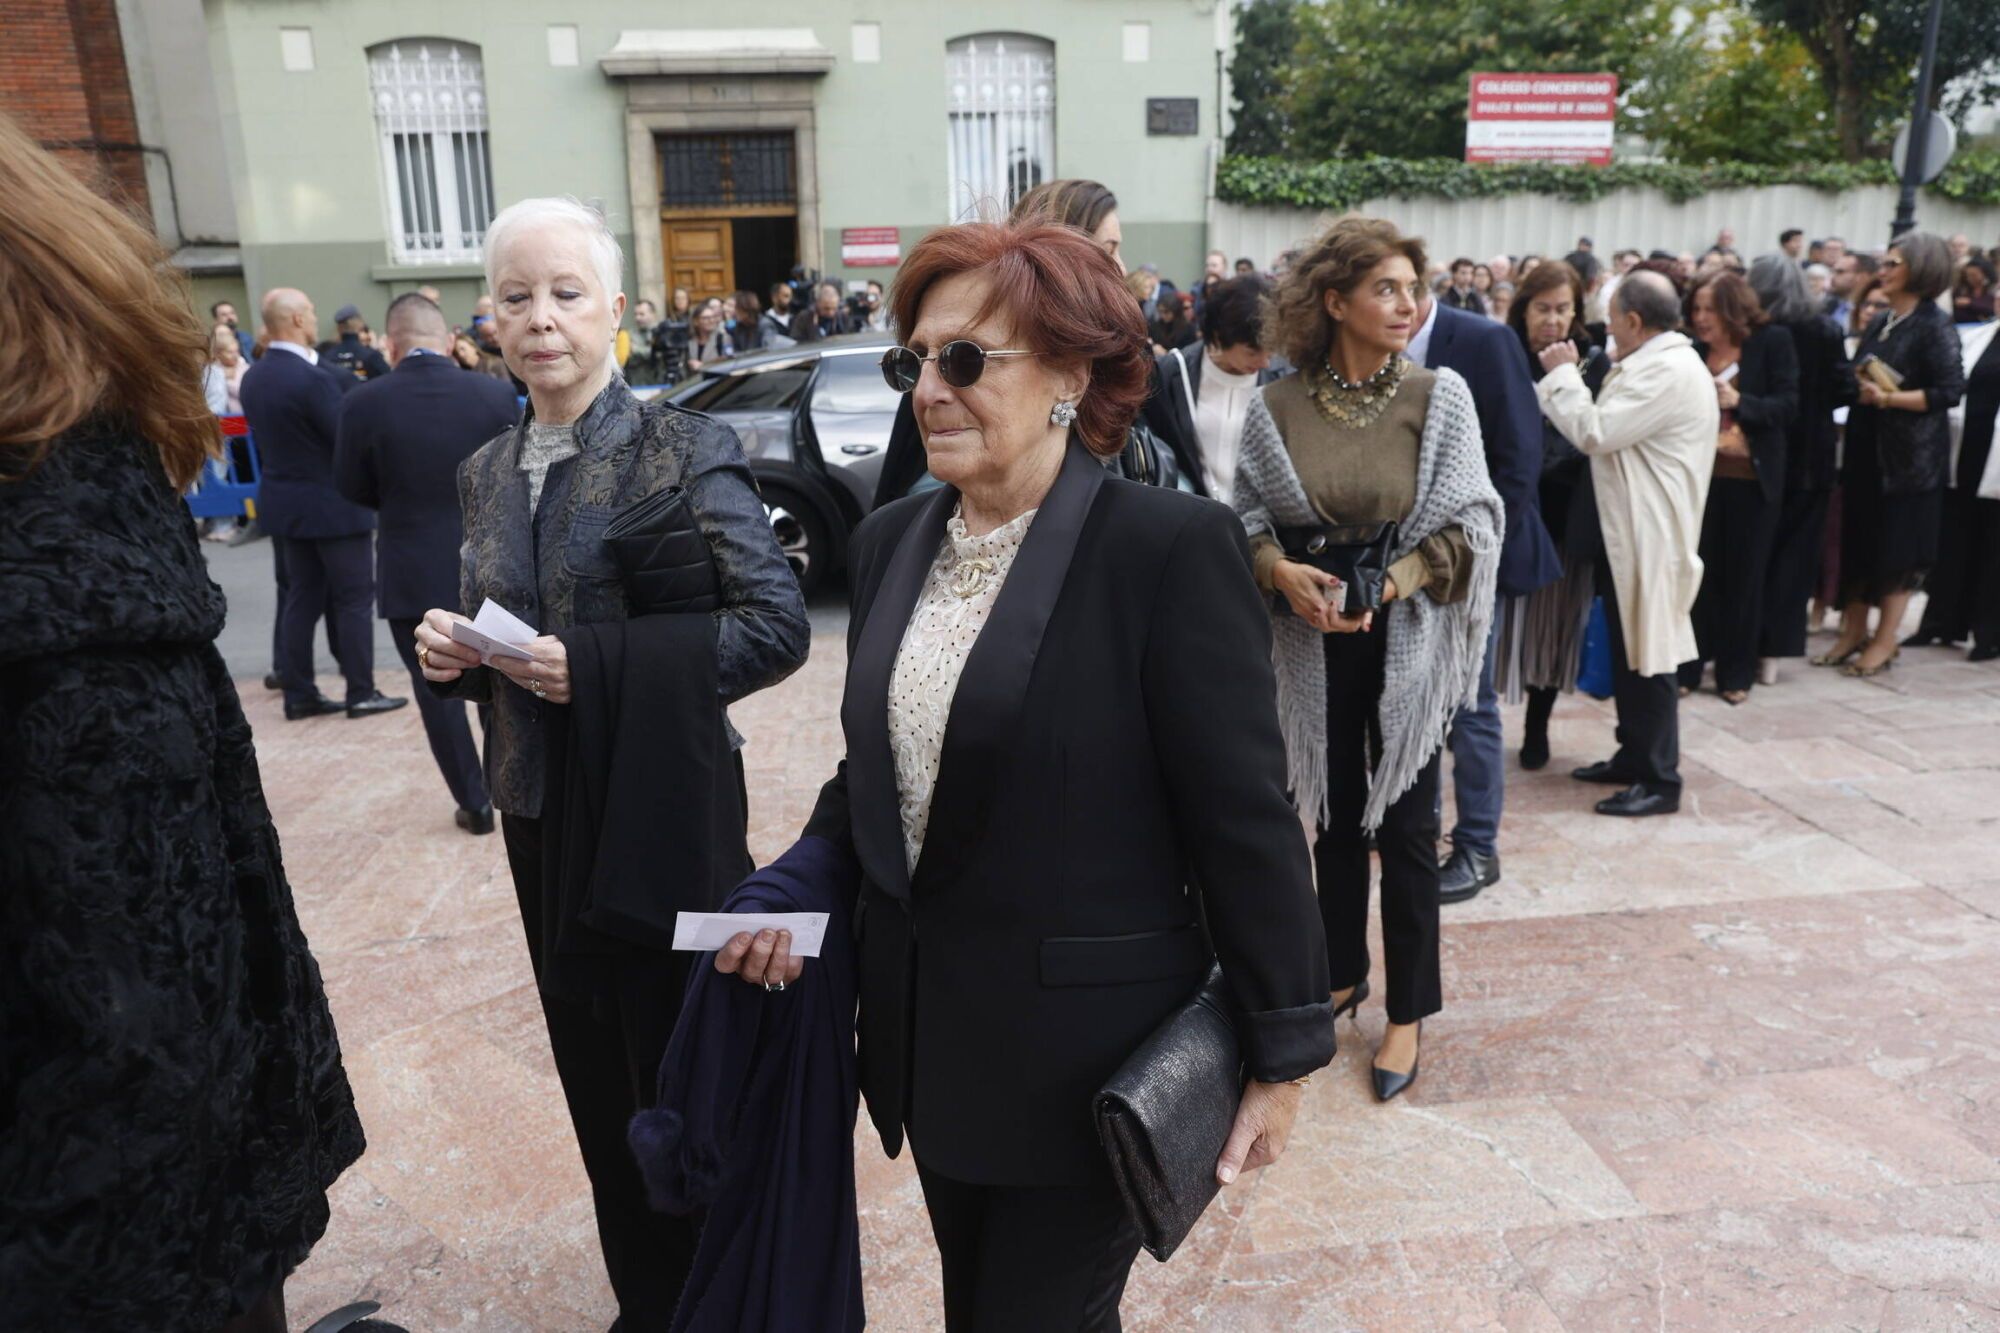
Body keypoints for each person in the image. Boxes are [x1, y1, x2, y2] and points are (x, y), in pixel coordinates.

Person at [721, 215, 1335, 1329]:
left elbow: (1244, 819)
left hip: (1091, 1067)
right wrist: (796, 878)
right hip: (929, 1051)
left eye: (965, 359)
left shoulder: (1166, 549)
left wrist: (1282, 1053)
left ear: (1069, 375)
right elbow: (885, 767)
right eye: (914, 361)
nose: (929, 390)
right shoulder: (889, 545)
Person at [412, 196, 809, 1328]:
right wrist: (457, 658)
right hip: (539, 813)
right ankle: (648, 1297)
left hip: (661, 814)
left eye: (566, 293)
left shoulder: (684, 447)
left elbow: (775, 626)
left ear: (616, 310)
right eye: (517, 296)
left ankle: (720, 1292)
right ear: (490, 317)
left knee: (683, 1068)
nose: (541, 317)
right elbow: (507, 630)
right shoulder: (485, 469)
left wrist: (594, 666)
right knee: (590, 1067)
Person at [0, 108, 366, 1333]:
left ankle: (316, 684)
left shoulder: (66, 540)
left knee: (307, 624)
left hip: (141, 1220)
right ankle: (326, 685)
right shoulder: (279, 394)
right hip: (161, 1213)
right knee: (321, 621)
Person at [1234, 215, 1501, 1097]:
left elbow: (1474, 521)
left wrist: (1393, 582)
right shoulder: (1276, 405)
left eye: (1412, 289)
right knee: (1334, 819)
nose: (1407, 304)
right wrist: (1280, 572)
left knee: (1411, 828)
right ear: (1334, 300)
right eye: (1385, 288)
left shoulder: (1439, 395)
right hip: (1310, 637)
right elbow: (1245, 522)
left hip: (1407, 635)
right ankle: (1342, 970)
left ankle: (1408, 1011)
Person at [1406, 242, 1561, 904]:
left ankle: (1476, 847)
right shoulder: (1362, 346)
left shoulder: (1484, 340)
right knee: (1412, 697)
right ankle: (1413, 829)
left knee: (1469, 703)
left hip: (1475, 556)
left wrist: (1476, 552)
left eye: (1397, 289)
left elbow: (1521, 455)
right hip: (1403, 562)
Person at [333, 293, 518, 833]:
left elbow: (351, 487)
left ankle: (474, 803)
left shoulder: (363, 401)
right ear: (449, 340)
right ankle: (507, 787)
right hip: (491, 564)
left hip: (410, 566)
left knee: (436, 691)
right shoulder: (493, 393)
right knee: (499, 683)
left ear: (391, 345)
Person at [1535, 271, 1718, 817]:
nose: (1607, 329)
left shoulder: (1668, 369)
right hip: (1633, 531)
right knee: (1630, 652)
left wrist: (1562, 375)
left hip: (1652, 534)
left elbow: (1596, 431)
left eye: (1612, 319)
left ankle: (1659, 779)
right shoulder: (1655, 362)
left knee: (1652, 655)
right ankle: (1633, 754)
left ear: (1635, 321)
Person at [239, 288, 407, 722]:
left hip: (285, 503)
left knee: (302, 598)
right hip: (333, 506)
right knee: (353, 599)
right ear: (296, 319)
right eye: (311, 311)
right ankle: (361, 691)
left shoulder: (255, 375)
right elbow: (347, 439)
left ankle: (299, 693)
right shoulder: (311, 380)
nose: (316, 319)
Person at [1814, 232, 1964, 677]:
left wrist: (1889, 398)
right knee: (1859, 541)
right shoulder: (1883, 319)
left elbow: (1949, 391)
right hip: (1866, 447)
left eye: (1893, 263)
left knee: (1898, 550)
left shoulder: (1934, 325)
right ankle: (1852, 632)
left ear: (1920, 269)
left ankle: (1884, 640)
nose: (1883, 270)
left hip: (1909, 459)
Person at [1507, 261, 1612, 774]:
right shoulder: (1504, 352)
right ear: (1523, 309)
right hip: (1510, 506)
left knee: (1552, 626)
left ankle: (1537, 725)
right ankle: (1469, 717)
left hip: (1563, 511)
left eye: (1563, 309)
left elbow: (1594, 433)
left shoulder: (1591, 360)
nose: (1552, 320)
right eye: (1542, 308)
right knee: (1493, 623)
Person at [1677, 270, 1798, 704]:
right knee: (1697, 574)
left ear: (1733, 309)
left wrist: (1739, 402)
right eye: (1696, 308)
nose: (1701, 317)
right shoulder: (1691, 351)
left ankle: (1736, 672)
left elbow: (1788, 405)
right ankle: (1688, 667)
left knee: (1744, 578)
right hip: (1700, 480)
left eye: (1710, 308)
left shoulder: (1772, 341)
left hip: (1752, 481)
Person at [1750, 254, 1853, 681]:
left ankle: (1739, 643)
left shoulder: (1757, 331)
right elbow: (1845, 388)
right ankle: (1772, 654)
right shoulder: (1824, 330)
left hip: (1761, 453)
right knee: (1792, 561)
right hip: (1811, 457)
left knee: (1754, 553)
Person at [1909, 314, 2000, 660]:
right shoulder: (1978, 336)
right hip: (1966, 450)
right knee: (1953, 539)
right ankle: (1941, 622)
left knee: (1994, 546)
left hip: (1996, 459)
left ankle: (1989, 634)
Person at [1142, 274, 1278, 503]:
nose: (1265, 362)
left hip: (1259, 518)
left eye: (1271, 351)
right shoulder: (1173, 373)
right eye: (1252, 352)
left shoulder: (1278, 379)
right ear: (1219, 335)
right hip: (1192, 512)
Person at [319, 303, 391, 382]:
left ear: (339, 328)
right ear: (360, 325)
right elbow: (389, 380)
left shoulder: (328, 357)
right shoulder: (371, 356)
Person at [203, 320, 249, 415]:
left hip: (240, 417)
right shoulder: (211, 370)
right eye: (230, 352)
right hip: (219, 416)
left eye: (237, 351)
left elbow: (245, 392)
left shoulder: (244, 368)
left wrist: (226, 380)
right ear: (218, 353)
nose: (235, 355)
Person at [791, 280, 860, 342]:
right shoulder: (804, 318)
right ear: (818, 303)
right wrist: (814, 330)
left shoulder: (844, 318)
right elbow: (796, 341)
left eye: (834, 309)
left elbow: (851, 339)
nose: (830, 312)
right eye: (826, 308)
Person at [1825, 251, 1878, 329]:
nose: (1832, 277)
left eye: (1840, 272)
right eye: (1833, 271)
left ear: (1862, 277)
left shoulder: (1871, 312)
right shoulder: (1829, 306)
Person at [1147, 286, 1198, 355]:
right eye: (1160, 312)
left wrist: (1166, 353)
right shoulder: (1155, 327)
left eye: (1166, 312)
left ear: (1175, 310)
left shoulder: (1188, 329)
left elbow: (1190, 353)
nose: (1163, 315)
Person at [688, 297, 733, 369]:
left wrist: (703, 366)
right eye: (706, 318)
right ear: (696, 321)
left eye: (713, 317)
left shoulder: (723, 339)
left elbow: (729, 363)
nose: (711, 320)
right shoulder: (689, 341)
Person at [1953, 257, 1996, 324]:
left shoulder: (1993, 289)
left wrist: (1970, 303)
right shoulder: (1962, 290)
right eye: (1968, 275)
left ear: (1985, 274)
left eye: (1974, 275)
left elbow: (1993, 309)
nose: (1969, 278)